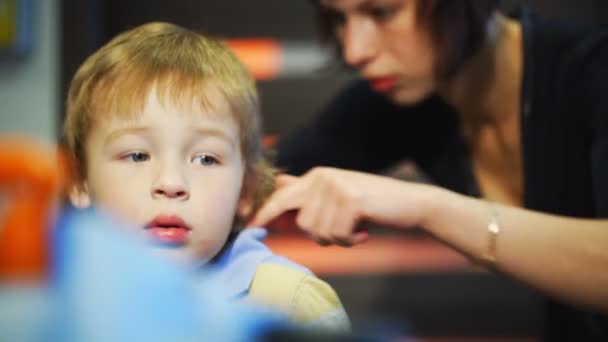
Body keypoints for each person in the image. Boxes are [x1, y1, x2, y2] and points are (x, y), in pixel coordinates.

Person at [249, 0, 608, 340]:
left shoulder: (592, 68)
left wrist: (427, 208)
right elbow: (248, 177)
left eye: (383, 11)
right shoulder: (399, 104)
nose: (354, 51)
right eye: (340, 19)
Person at [61, 22, 350, 331]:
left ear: (246, 189)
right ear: (80, 181)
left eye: (205, 159)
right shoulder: (50, 304)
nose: (171, 184)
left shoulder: (289, 306)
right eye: (137, 155)